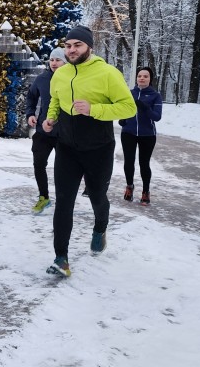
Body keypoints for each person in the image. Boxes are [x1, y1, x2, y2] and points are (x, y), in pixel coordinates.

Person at [42, 25, 136, 277]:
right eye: (68, 45)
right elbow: (55, 99)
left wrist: (94, 109)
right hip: (67, 146)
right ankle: (61, 258)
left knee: (96, 195)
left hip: (98, 147)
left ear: (89, 47)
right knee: (63, 201)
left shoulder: (107, 73)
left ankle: (99, 228)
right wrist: (51, 118)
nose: (71, 50)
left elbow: (129, 108)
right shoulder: (60, 74)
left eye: (77, 45)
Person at [25, 47, 66, 214]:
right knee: (39, 163)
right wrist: (30, 114)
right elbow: (31, 96)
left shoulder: (71, 78)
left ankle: (64, 200)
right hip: (44, 130)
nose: (54, 63)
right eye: (52, 60)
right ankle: (44, 196)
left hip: (64, 133)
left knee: (63, 168)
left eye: (58, 60)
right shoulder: (42, 79)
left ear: (65, 61)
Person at [119, 67, 163, 206]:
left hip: (147, 135)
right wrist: (123, 119)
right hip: (128, 133)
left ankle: (145, 191)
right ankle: (129, 186)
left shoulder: (155, 95)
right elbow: (123, 110)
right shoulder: (129, 93)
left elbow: (157, 117)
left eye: (145, 76)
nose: (142, 78)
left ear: (150, 79)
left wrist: (145, 107)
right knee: (128, 162)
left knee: (144, 164)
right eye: (139, 76)